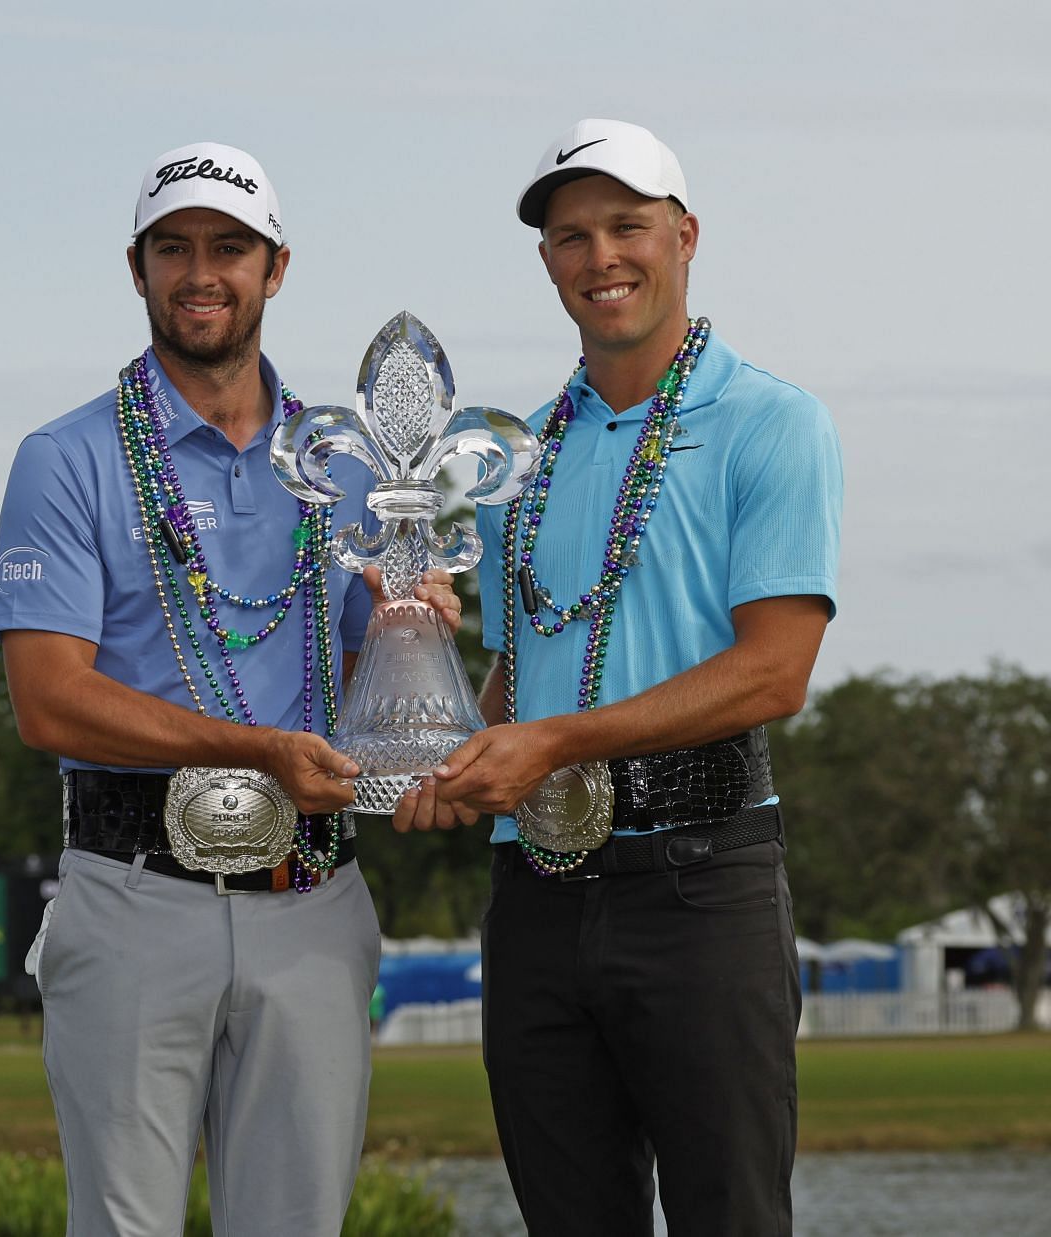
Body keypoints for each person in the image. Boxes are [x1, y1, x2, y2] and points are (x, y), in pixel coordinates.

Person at [0, 141, 461, 1236]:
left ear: (276, 268)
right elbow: (48, 699)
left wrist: (416, 637)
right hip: (132, 889)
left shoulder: (349, 462)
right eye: (175, 249)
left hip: (313, 896)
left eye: (229, 248)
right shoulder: (67, 457)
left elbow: (366, 686)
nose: (202, 273)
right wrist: (258, 751)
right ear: (137, 267)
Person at [411, 119, 842, 1234]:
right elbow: (520, 674)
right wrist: (431, 731)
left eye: (627, 226)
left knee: (729, 1216)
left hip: (702, 884)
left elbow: (773, 672)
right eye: (570, 236)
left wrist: (553, 744)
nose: (601, 257)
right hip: (538, 895)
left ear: (685, 236)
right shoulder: (518, 455)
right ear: (547, 261)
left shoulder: (770, 420)